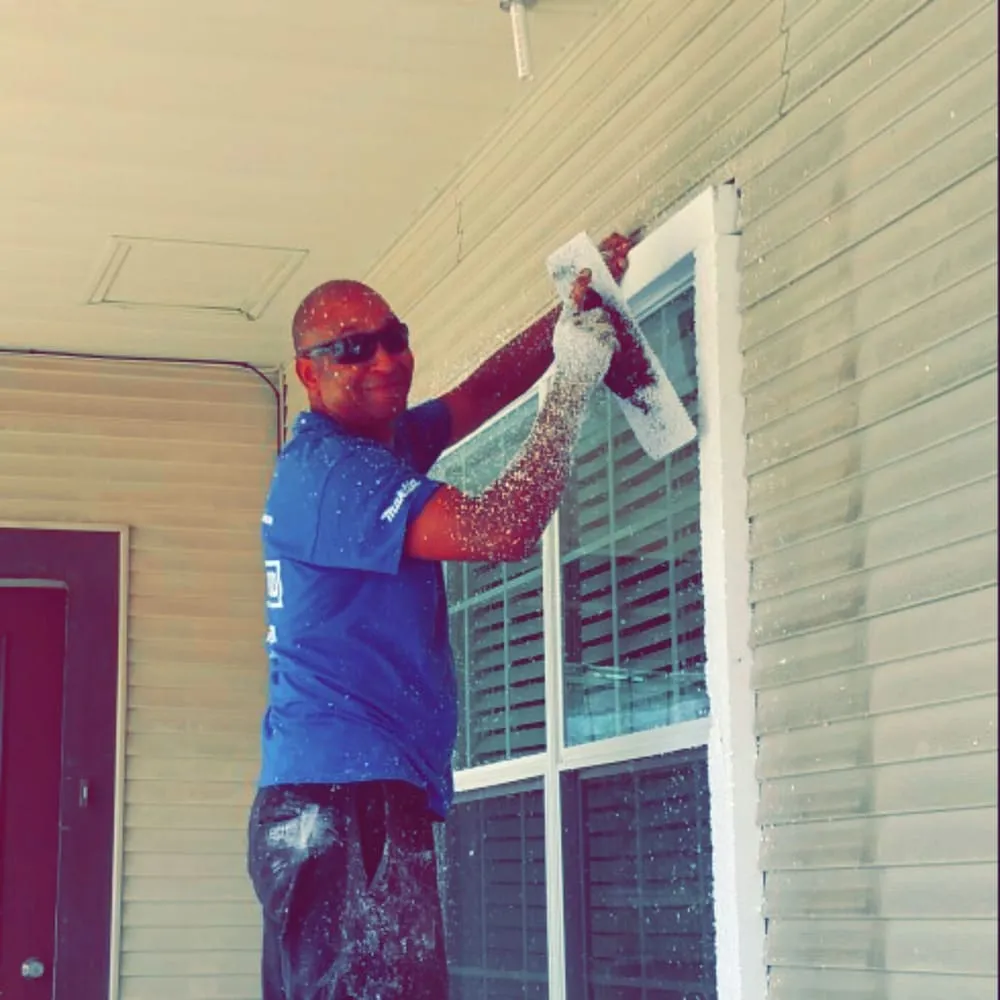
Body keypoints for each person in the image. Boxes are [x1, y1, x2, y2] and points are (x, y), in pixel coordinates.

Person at [247, 236, 633, 999]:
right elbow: (501, 530)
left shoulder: (375, 438)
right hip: (342, 809)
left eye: (396, 338)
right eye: (355, 349)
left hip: (336, 803)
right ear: (308, 374)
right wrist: (577, 379)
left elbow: (478, 396)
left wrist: (566, 320)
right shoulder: (333, 475)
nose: (387, 361)